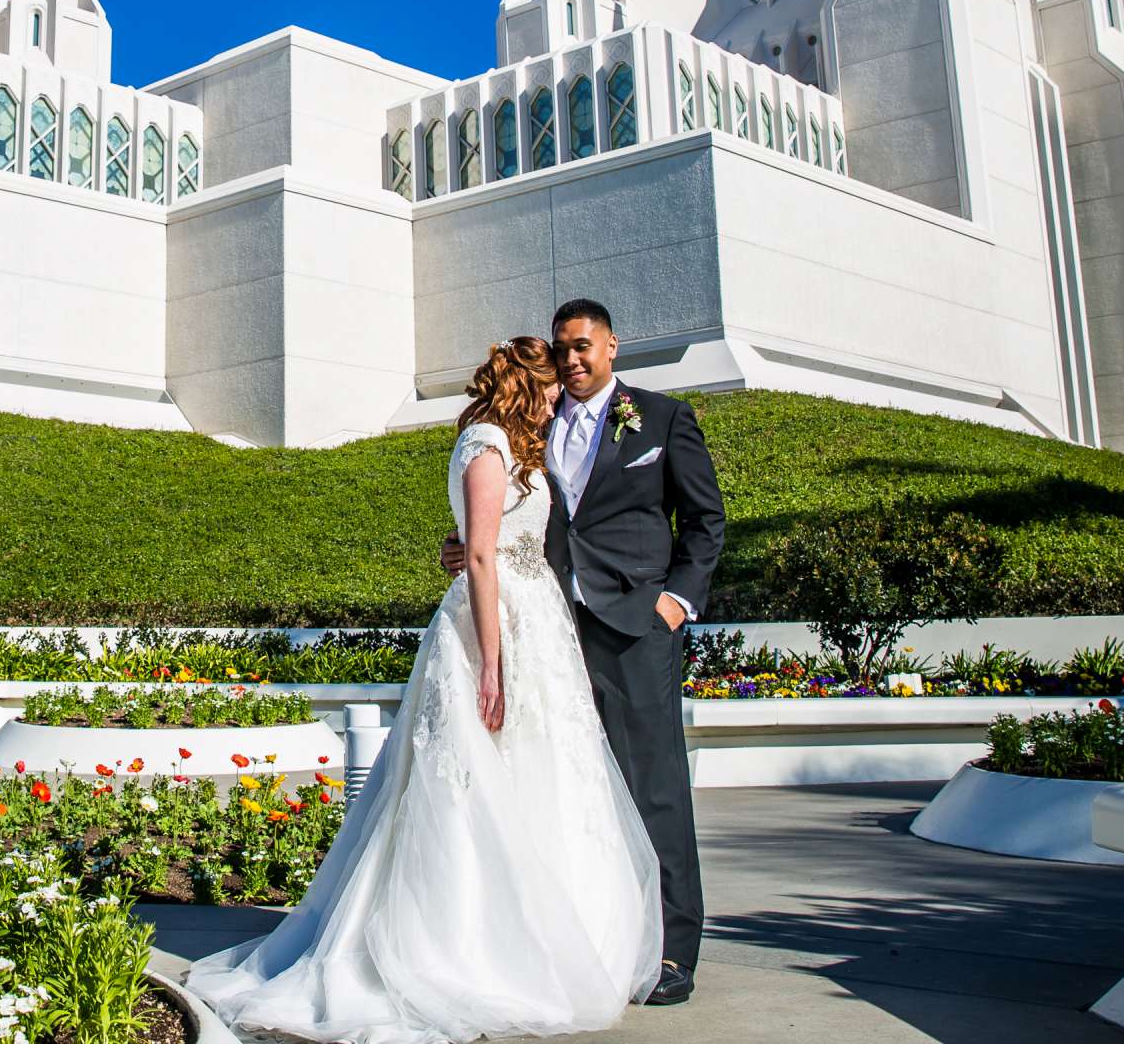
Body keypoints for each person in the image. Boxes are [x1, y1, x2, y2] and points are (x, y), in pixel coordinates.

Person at [185, 336, 663, 1043]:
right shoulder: (486, 442)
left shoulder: (516, 448)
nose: (562, 396)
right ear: (528, 386)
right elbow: (477, 552)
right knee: (466, 783)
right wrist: (493, 666)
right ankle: (464, 946)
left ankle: (567, 938)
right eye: (552, 387)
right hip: (491, 630)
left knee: (545, 776)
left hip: (537, 628)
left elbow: (490, 537)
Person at [443, 297, 725, 1005]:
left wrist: (673, 603)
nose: (571, 359)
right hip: (551, 628)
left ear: (612, 347)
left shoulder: (660, 418)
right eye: (562, 348)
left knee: (652, 783)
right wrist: (464, 549)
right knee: (572, 788)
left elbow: (704, 520)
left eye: (583, 347)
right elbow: (509, 515)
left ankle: (671, 949)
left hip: (635, 626)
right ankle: (597, 938)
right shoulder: (530, 423)